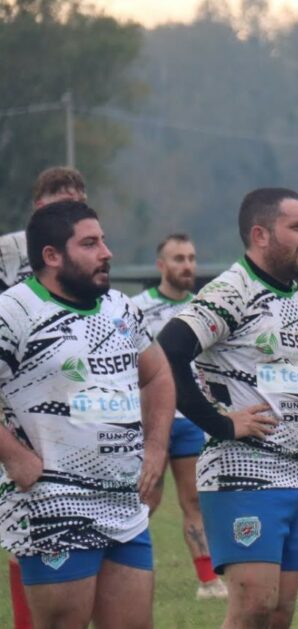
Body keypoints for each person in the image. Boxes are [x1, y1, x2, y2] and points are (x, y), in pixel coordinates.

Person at [157, 188, 298, 628]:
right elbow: (168, 353)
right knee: (253, 606)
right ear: (260, 234)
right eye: (297, 227)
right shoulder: (231, 291)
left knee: (280, 613)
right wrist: (220, 423)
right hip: (242, 470)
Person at [0, 201, 175, 627]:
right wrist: (14, 457)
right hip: (52, 504)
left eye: (104, 241)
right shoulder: (14, 311)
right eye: (90, 243)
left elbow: (158, 376)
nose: (107, 252)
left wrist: (155, 450)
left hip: (124, 506)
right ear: (52, 256)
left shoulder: (120, 308)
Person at [1, 166, 89, 629]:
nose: (68, 200)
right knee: (27, 519)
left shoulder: (89, 256)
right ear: (39, 205)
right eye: (58, 195)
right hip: (11, 407)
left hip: (69, 406)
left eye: (76, 195)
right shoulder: (9, 252)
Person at [131, 233, 229, 599]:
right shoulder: (135, 307)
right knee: (146, 498)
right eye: (178, 258)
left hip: (190, 417)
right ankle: (121, 562)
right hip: (148, 417)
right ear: (161, 266)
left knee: (194, 500)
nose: (187, 265)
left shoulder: (204, 307)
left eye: (190, 258)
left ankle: (208, 580)